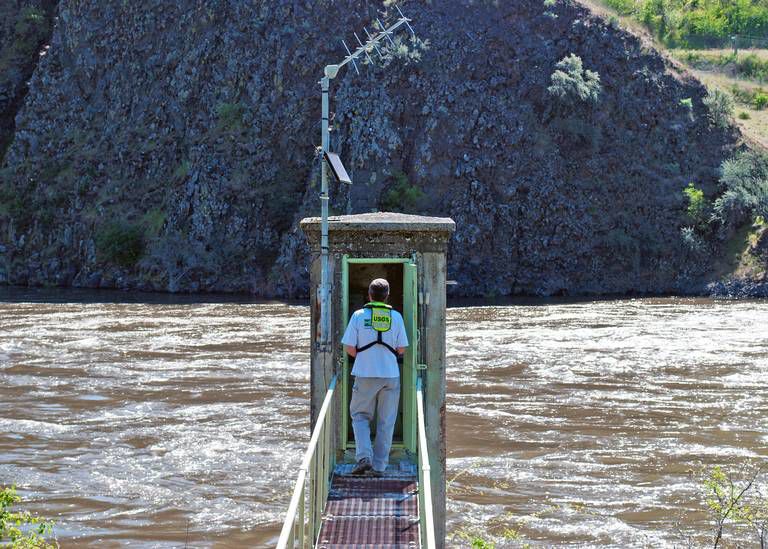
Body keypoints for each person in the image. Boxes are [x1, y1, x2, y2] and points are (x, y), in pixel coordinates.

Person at [341, 278, 408, 476]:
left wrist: (365, 358)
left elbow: (349, 348)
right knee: (387, 421)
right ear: (387, 296)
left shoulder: (358, 316)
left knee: (360, 416)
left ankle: (364, 458)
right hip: (391, 376)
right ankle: (379, 467)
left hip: (365, 374)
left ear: (369, 295)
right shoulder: (396, 317)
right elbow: (402, 349)